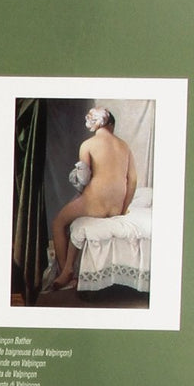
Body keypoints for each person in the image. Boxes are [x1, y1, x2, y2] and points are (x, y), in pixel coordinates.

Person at [49, 107, 138, 290]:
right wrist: (123, 208)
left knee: (58, 223)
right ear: (110, 125)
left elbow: (83, 178)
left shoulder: (88, 145)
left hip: (93, 205)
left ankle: (66, 273)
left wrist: (79, 190)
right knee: (76, 216)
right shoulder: (124, 146)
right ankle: (68, 270)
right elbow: (133, 180)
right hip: (115, 207)